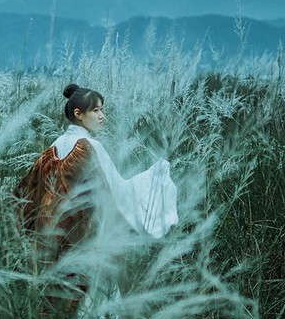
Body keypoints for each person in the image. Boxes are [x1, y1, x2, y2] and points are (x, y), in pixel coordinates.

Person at [14, 83, 178, 306]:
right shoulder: (89, 146)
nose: (102, 116)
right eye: (96, 110)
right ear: (78, 114)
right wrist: (156, 176)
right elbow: (119, 193)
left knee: (62, 298)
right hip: (89, 240)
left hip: (57, 241)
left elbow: (29, 192)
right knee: (95, 301)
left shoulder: (54, 146)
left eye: (101, 110)